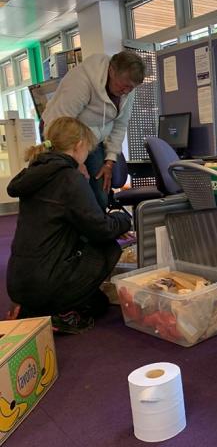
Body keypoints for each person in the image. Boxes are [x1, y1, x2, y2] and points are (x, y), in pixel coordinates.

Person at [6, 117, 131, 334]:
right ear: (79, 145)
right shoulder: (68, 178)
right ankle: (55, 314)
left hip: (19, 280)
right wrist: (124, 220)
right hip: (45, 282)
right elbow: (101, 229)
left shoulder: (35, 174)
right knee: (108, 248)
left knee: (98, 303)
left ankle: (32, 310)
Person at [42, 50, 146, 208]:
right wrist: (75, 161)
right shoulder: (82, 80)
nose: (126, 92)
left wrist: (109, 161)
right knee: (76, 190)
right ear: (111, 70)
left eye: (130, 88)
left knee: (100, 193)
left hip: (92, 139)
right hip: (59, 133)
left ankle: (99, 226)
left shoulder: (127, 88)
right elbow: (58, 122)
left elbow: (120, 125)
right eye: (123, 86)